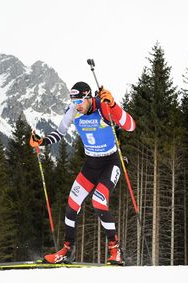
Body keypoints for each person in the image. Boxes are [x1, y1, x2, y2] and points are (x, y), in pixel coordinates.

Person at [29, 81, 135, 265]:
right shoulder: (73, 111)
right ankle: (66, 251)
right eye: (74, 101)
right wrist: (42, 141)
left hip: (111, 162)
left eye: (80, 101)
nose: (77, 105)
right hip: (91, 164)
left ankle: (115, 249)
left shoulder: (103, 106)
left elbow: (130, 126)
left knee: (98, 201)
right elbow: (60, 133)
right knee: (72, 204)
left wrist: (113, 105)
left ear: (88, 97)